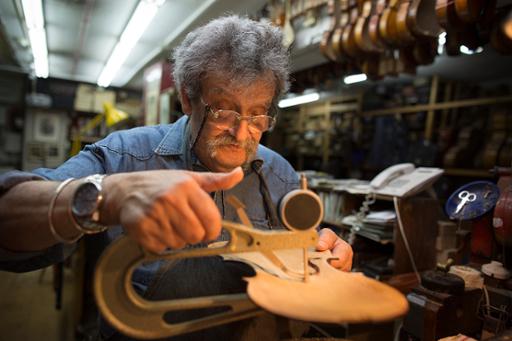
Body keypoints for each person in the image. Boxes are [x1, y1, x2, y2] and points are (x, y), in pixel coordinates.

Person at [0, 15, 353, 340]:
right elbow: (7, 217)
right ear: (187, 98)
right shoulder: (125, 156)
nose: (242, 132)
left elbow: (302, 266)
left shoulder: (280, 175)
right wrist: (104, 196)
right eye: (225, 110)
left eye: (258, 115)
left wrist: (323, 257)